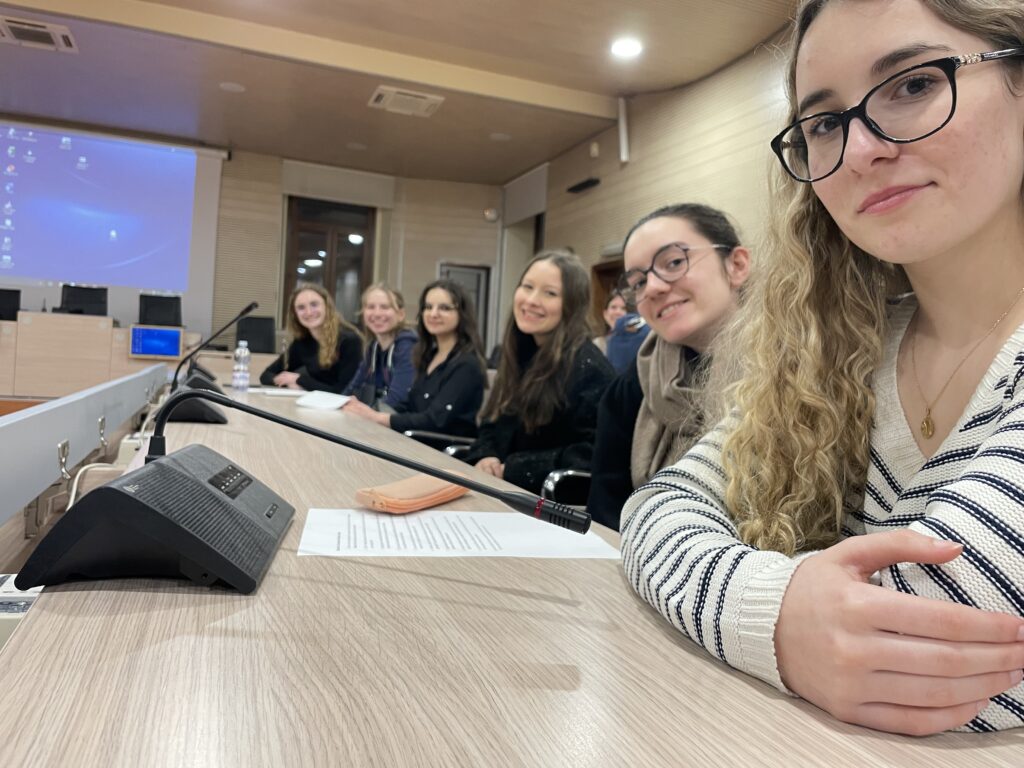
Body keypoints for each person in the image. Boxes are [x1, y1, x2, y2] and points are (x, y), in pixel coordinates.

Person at [621, 0, 1024, 735]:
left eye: (913, 84)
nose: (861, 149)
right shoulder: (841, 349)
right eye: (826, 124)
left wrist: (759, 609)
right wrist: (781, 616)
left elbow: (943, 657)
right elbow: (655, 510)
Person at [588, 204, 750, 530]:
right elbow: (606, 516)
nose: (653, 288)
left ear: (736, 265)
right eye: (637, 282)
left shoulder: (799, 367)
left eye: (674, 262)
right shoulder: (632, 388)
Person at [463, 249, 616, 496]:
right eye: (527, 287)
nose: (532, 300)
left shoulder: (590, 370)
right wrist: (486, 456)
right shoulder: (519, 353)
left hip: (547, 502)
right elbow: (493, 423)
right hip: (501, 491)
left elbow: (592, 454)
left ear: (572, 304)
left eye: (550, 293)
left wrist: (512, 469)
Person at [344, 279, 487, 437]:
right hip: (412, 440)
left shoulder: (466, 364)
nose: (433, 314)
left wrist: (377, 417)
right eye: (428, 307)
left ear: (462, 314)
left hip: (436, 448)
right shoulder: (429, 356)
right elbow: (409, 405)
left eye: (444, 308)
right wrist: (358, 409)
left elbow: (434, 420)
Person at [259, 282, 362, 393]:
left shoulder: (349, 341)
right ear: (295, 314)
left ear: (327, 307)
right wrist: (286, 381)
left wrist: (300, 380)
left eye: (314, 304)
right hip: (315, 401)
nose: (308, 312)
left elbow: (343, 392)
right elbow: (266, 375)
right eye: (301, 307)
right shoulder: (302, 342)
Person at [342, 283, 417, 411]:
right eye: (371, 307)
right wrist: (338, 404)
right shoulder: (373, 347)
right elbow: (353, 388)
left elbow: (397, 399)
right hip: (379, 415)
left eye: (385, 307)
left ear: (401, 314)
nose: (377, 313)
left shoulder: (407, 346)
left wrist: (364, 412)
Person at [592, 290, 629, 355]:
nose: (618, 312)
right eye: (613, 307)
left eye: (623, 308)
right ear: (605, 314)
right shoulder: (597, 344)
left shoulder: (637, 341)